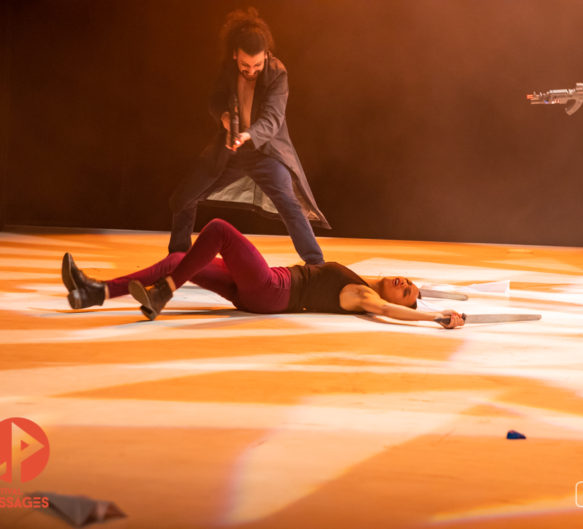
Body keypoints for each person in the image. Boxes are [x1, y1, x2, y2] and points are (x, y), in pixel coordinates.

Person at [61, 219, 465, 329]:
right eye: (408, 282)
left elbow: (394, 313)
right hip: (257, 292)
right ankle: (93, 293)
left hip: (271, 289)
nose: (404, 286)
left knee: (218, 230)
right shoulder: (366, 280)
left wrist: (434, 315)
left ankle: (164, 294)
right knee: (180, 260)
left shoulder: (364, 298)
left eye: (406, 292)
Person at [168, 7, 329, 265]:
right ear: (234, 55)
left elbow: (272, 119)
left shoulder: (277, 73)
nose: (251, 70)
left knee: (289, 204)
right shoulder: (227, 69)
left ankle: (317, 265)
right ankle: (177, 260)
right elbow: (215, 99)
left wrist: (248, 135)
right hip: (230, 150)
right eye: (245, 65)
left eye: (257, 65)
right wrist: (222, 116)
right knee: (183, 197)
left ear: (266, 55)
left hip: (265, 153)